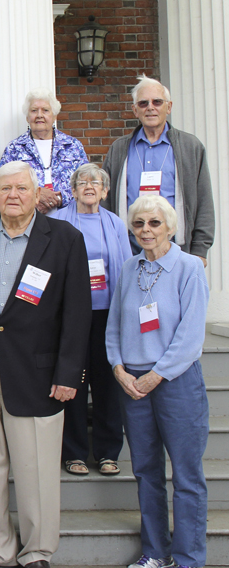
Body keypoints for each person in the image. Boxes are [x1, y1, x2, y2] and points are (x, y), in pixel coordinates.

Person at [0, 161, 91, 568]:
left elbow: (78, 314)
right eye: (5, 188)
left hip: (39, 374)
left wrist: (69, 373)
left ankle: (37, 552)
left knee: (36, 469)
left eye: (21, 188)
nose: (13, 195)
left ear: (36, 192)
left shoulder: (64, 238)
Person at [106, 195, 209, 568]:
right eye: (138, 224)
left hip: (175, 382)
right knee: (146, 472)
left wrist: (155, 375)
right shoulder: (129, 269)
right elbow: (114, 325)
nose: (145, 231)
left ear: (170, 226)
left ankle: (188, 559)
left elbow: (190, 335)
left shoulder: (188, 268)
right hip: (132, 384)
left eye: (154, 223)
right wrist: (118, 367)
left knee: (186, 476)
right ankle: (156, 553)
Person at [52, 164, 133, 476]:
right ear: (72, 190)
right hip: (70, 316)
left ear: (105, 191)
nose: (89, 186)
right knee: (72, 380)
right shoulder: (57, 221)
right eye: (82, 182)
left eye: (96, 182)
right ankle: (73, 452)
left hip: (107, 315)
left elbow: (125, 271)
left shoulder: (114, 224)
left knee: (106, 383)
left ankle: (107, 452)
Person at [102, 75, 214, 265]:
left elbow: (204, 201)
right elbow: (105, 201)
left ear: (168, 107)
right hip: (129, 252)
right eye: (143, 103)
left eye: (157, 102)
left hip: (177, 251)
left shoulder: (190, 147)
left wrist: (200, 250)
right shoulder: (119, 149)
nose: (150, 108)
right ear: (135, 110)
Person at [0, 88, 88, 215]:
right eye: (34, 110)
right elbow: (1, 187)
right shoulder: (15, 148)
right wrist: (36, 195)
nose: (39, 115)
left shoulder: (73, 146)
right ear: (27, 117)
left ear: (54, 116)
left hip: (69, 218)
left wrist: (59, 198)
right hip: (27, 219)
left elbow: (86, 183)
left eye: (45, 110)